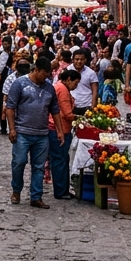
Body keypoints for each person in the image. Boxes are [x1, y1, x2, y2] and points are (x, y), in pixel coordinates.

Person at [5, 57, 59, 208]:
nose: (45, 78)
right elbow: (10, 107)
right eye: (44, 74)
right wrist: (12, 129)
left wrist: (59, 131)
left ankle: (36, 196)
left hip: (42, 133)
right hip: (22, 131)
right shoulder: (20, 84)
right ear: (36, 70)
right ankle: (16, 190)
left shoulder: (49, 88)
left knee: (39, 166)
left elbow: (55, 110)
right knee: (19, 162)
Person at [49, 68, 80, 200]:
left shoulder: (59, 87)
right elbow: (67, 114)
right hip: (59, 128)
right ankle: (61, 190)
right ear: (68, 80)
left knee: (60, 159)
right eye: (75, 83)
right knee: (60, 160)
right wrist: (80, 119)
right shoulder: (62, 90)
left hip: (56, 127)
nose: (76, 86)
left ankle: (62, 189)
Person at [69, 48, 99, 115]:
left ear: (85, 60)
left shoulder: (91, 73)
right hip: (71, 106)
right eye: (77, 59)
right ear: (73, 60)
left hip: (86, 106)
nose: (79, 61)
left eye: (81, 59)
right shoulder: (67, 71)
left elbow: (95, 91)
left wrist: (93, 107)